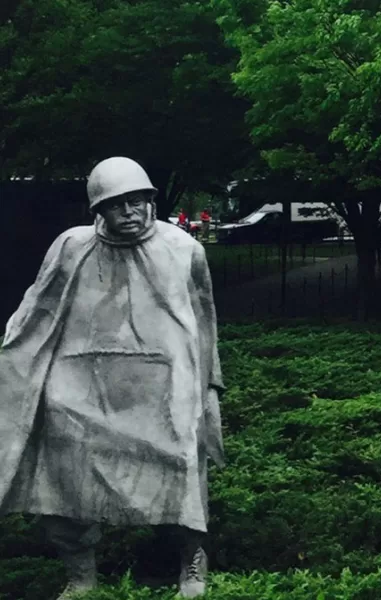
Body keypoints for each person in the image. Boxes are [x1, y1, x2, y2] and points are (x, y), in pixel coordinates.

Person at [0, 157, 224, 599]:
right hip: (83, 381)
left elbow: (205, 322)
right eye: (116, 204)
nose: (129, 212)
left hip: (162, 383)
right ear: (98, 210)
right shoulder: (70, 246)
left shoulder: (184, 251)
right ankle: (81, 574)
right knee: (63, 472)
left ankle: (192, 559)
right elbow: (38, 307)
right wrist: (15, 354)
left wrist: (209, 386)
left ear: (150, 200)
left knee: (181, 465)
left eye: (137, 201)